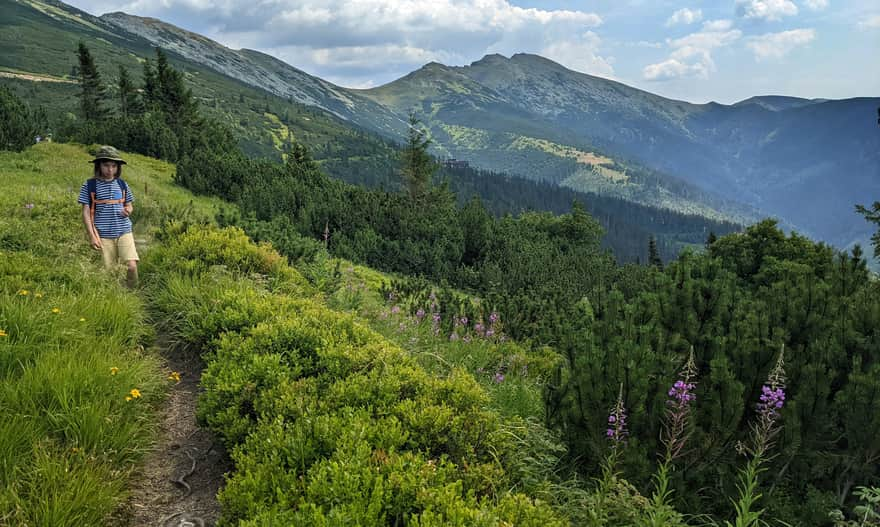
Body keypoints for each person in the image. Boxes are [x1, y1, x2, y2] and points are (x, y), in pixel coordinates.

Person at [78, 146, 139, 288]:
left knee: (131, 266)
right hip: (103, 234)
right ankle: (115, 296)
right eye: (106, 165)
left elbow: (129, 205)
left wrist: (128, 210)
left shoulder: (122, 184)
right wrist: (92, 236)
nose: (110, 170)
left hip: (124, 230)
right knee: (109, 272)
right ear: (98, 165)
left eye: (114, 166)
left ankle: (132, 292)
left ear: (118, 167)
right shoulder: (89, 185)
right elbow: (86, 212)